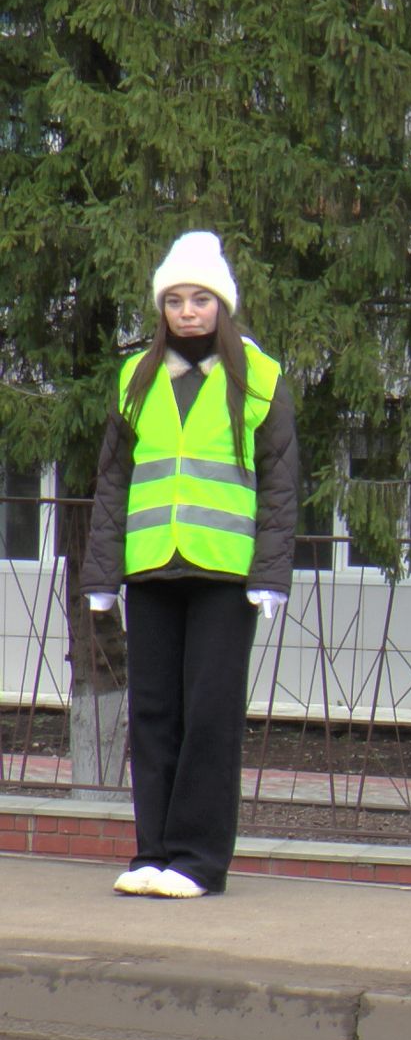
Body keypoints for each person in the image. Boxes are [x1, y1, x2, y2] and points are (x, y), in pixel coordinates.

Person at [78, 231, 299, 899]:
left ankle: (199, 861)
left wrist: (269, 575)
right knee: (151, 710)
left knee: (209, 713)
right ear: (162, 308)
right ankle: (154, 854)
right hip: (152, 568)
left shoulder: (258, 377)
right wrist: (99, 577)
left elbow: (281, 484)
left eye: (201, 298)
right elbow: (113, 485)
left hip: (225, 575)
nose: (188, 311)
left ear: (221, 304)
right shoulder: (135, 378)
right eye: (175, 299)